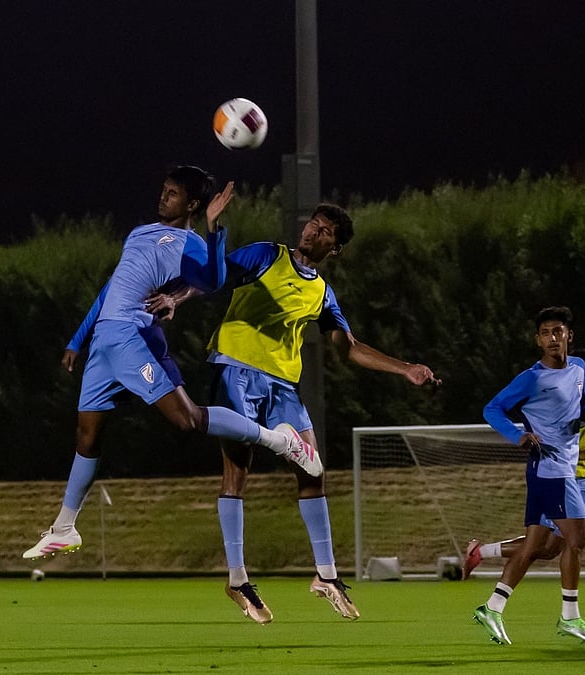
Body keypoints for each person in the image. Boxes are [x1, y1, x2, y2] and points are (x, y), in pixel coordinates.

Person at [150, 203, 439, 624]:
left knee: (313, 469)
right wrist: (175, 296)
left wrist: (405, 368)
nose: (312, 233)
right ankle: (236, 577)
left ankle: (326, 576)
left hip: (283, 382)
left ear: (334, 248)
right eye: (313, 225)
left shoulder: (322, 292)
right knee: (237, 473)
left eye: (324, 232)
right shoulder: (268, 254)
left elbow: (348, 347)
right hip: (236, 366)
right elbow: (214, 276)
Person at [22, 166, 319, 560]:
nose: (163, 197)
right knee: (87, 436)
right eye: (163, 189)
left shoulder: (189, 243)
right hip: (103, 345)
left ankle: (282, 441)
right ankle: (64, 527)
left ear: (192, 204)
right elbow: (111, 288)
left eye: (173, 193)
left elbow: (212, 280)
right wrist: (79, 338)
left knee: (189, 419)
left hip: (132, 336)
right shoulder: (138, 233)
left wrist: (214, 230)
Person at [463, 349, 585, 621]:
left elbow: (582, 434)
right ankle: (486, 562)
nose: (584, 374)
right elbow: (560, 439)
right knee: (546, 548)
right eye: (583, 370)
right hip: (566, 483)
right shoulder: (562, 401)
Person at [472, 306, 585, 645]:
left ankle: (492, 608)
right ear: (538, 340)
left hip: (559, 467)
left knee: (536, 545)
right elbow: (491, 408)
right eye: (547, 333)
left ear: (569, 336)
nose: (553, 337)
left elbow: (583, 406)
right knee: (576, 540)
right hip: (550, 469)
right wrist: (517, 435)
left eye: (559, 331)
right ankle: (570, 617)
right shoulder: (532, 378)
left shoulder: (579, 368)